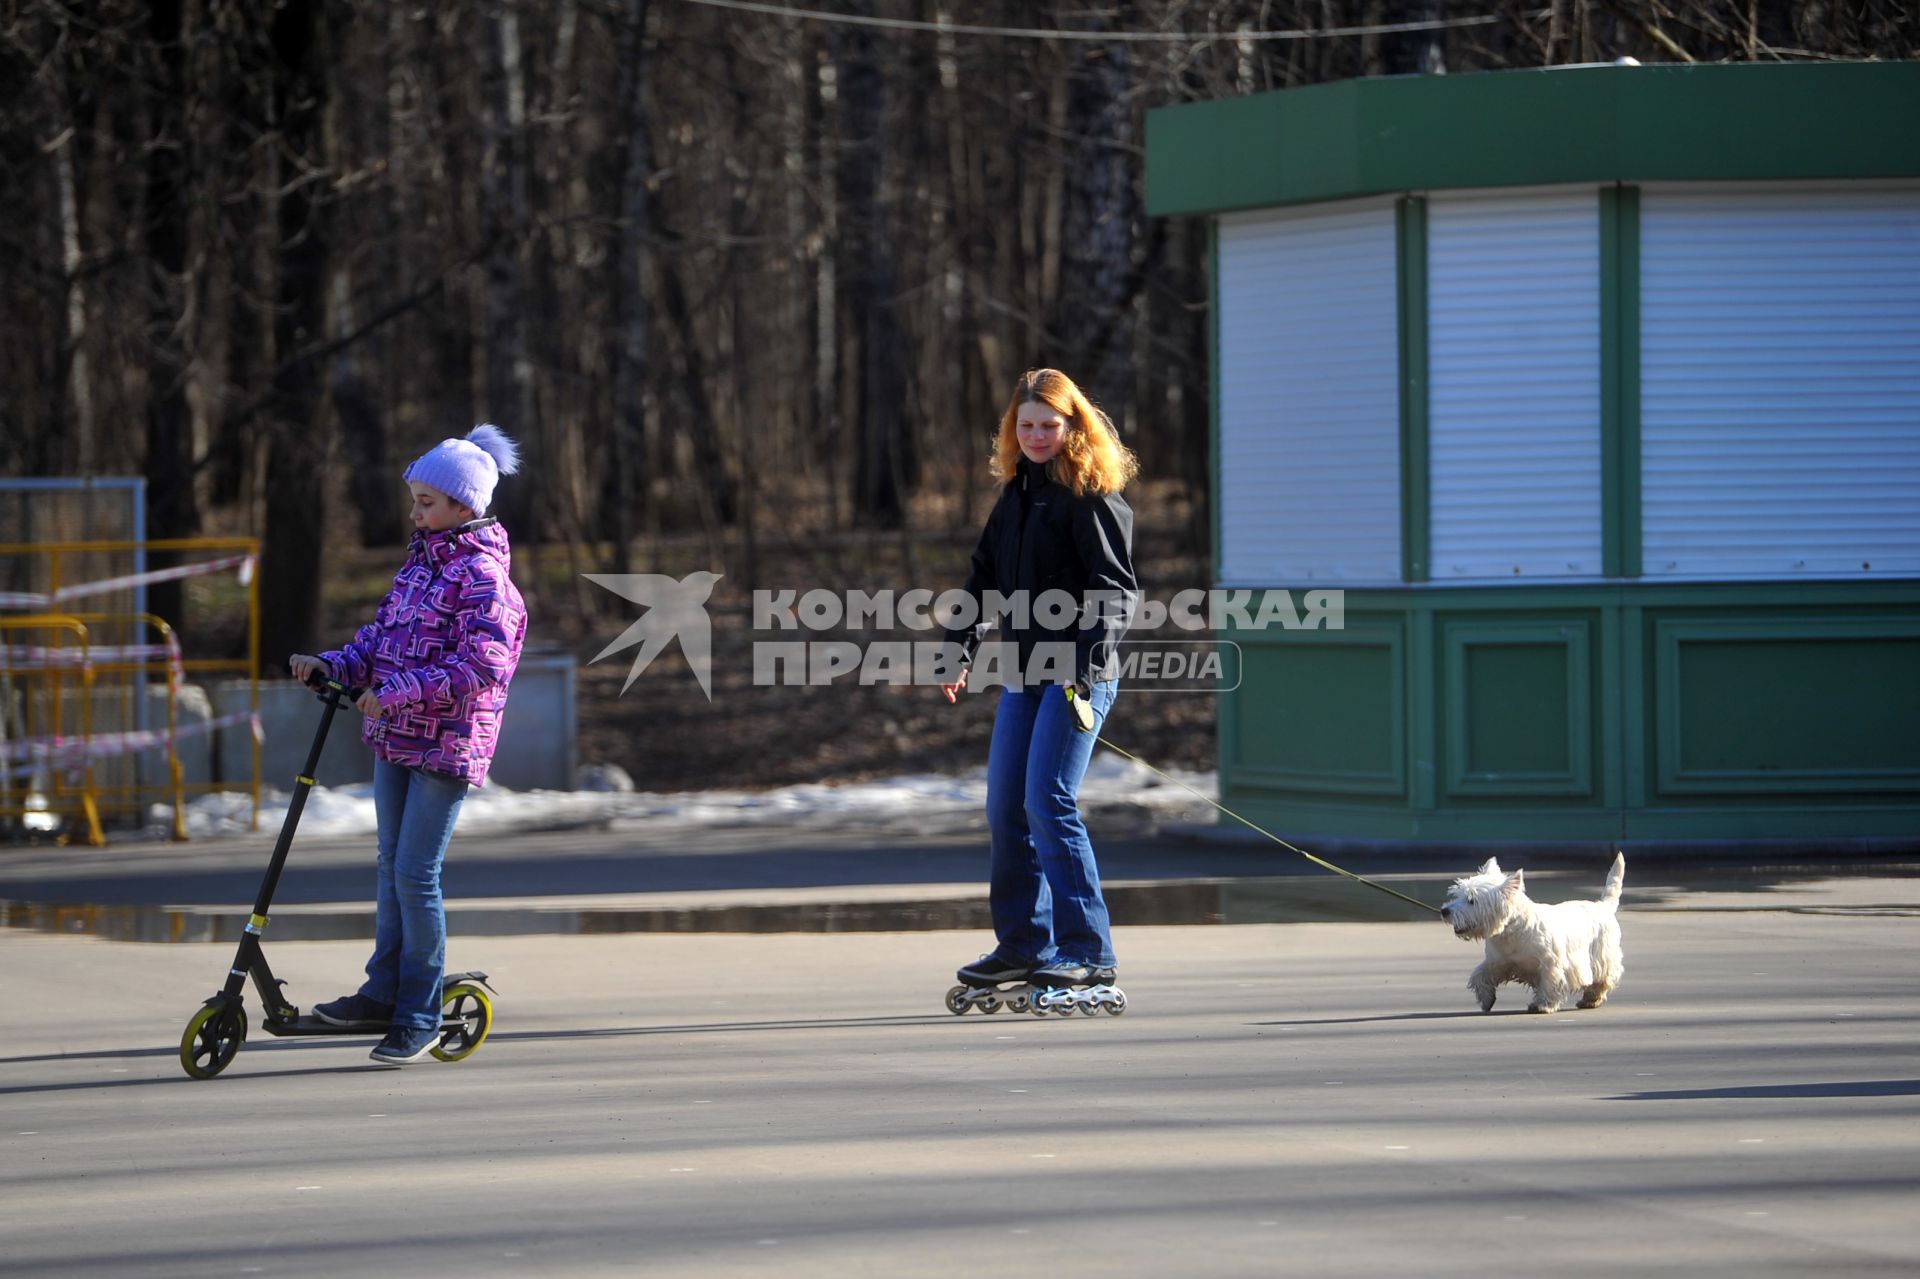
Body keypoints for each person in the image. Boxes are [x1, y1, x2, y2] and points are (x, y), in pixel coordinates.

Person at [289, 424, 528, 1067]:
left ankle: (419, 1014)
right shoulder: (420, 568)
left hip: (447, 746)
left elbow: (482, 668)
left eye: (426, 501)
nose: (414, 511)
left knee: (416, 876)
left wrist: (400, 691)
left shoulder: (484, 579)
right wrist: (334, 664)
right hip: (396, 739)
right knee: (390, 867)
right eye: (415, 499)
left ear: (463, 507)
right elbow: (381, 643)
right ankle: (383, 990)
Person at [942, 368, 1140, 996]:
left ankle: (1088, 951)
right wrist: (959, 649)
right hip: (1025, 677)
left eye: (1047, 425)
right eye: (1025, 425)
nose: (1035, 435)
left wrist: (1083, 671)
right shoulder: (1017, 499)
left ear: (1072, 425)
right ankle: (1025, 945)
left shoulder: (1092, 496)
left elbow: (1117, 591)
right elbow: (982, 579)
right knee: (1006, 807)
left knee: (1048, 801)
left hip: (1078, 678)